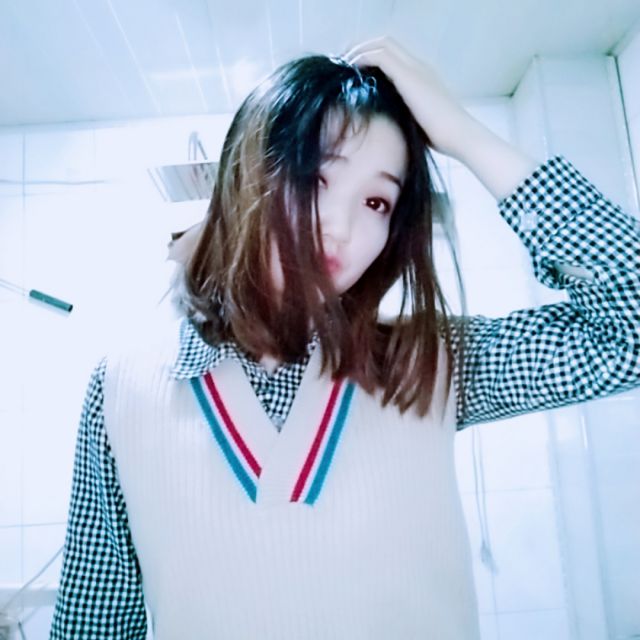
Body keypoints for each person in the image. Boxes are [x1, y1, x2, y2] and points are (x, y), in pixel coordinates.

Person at [50, 37, 640, 639]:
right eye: (314, 179)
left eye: (378, 201)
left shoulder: (427, 361)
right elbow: (95, 621)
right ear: (243, 179)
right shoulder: (122, 387)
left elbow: (632, 331)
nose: (341, 226)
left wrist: (464, 134)